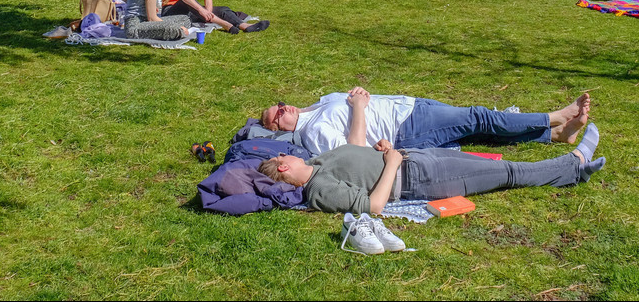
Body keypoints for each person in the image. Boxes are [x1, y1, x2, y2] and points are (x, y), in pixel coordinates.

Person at [258, 109, 605, 216]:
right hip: (417, 179)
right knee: (505, 172)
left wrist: (382, 150)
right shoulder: (317, 189)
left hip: (416, 159)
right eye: (282, 155)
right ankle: (572, 165)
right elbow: (373, 206)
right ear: (285, 167)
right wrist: (391, 164)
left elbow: (358, 158)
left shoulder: (319, 162)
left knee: (498, 167)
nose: (287, 152)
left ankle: (571, 167)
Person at [261, 87, 590, 156]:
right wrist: (359, 107)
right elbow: (355, 152)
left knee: (480, 131)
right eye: (276, 115)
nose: (281, 108)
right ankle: (555, 117)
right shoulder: (313, 133)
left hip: (410, 108)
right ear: (279, 130)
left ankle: (555, 136)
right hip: (408, 128)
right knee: (479, 117)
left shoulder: (312, 110)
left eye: (278, 105)